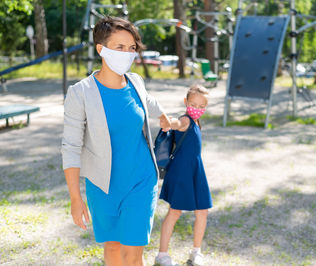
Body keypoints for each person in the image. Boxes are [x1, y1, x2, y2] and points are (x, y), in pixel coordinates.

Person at [61, 16, 171, 266]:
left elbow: (148, 101)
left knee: (132, 254)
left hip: (140, 181)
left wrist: (164, 115)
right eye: (119, 47)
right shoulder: (80, 93)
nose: (127, 53)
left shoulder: (136, 81)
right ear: (101, 49)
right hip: (102, 186)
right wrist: (75, 198)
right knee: (112, 249)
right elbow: (71, 146)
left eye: (131, 48)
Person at [155, 85, 213, 266]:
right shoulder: (186, 120)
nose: (197, 108)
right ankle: (162, 255)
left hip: (196, 170)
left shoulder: (196, 122)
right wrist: (168, 123)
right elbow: (176, 124)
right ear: (185, 102)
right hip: (181, 172)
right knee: (175, 211)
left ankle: (196, 252)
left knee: (202, 211)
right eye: (193, 104)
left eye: (202, 106)